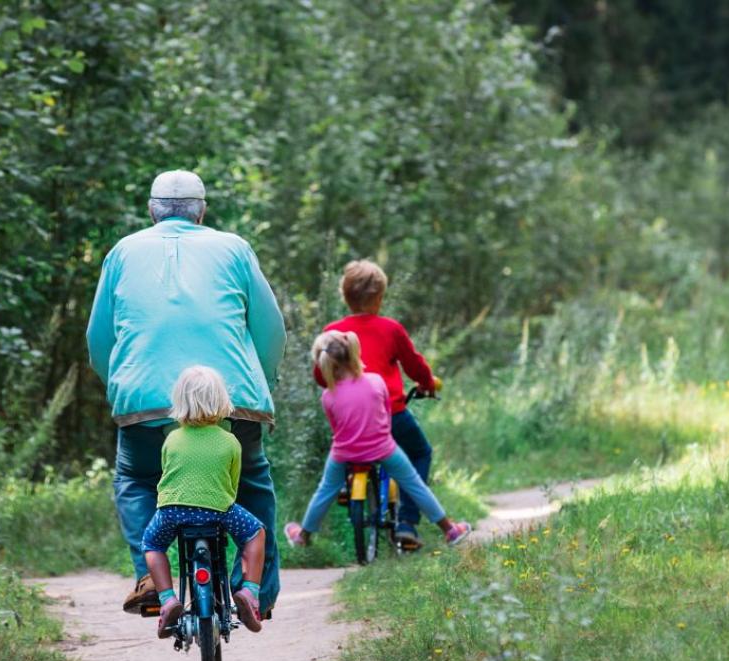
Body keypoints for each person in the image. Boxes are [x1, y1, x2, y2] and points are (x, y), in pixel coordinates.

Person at [86, 169, 286, 616]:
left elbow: (99, 341)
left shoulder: (122, 252)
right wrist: (261, 382)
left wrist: (121, 386)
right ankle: (257, 592)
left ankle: (150, 580)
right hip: (232, 400)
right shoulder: (234, 248)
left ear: (151, 210)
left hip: (144, 403)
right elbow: (271, 332)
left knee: (137, 480)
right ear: (203, 212)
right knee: (252, 484)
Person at [286, 330, 470, 546]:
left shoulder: (328, 396)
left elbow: (337, 430)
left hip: (344, 453)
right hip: (383, 448)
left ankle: (303, 536)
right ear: (353, 352)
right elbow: (385, 416)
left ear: (325, 364)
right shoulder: (376, 381)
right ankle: (450, 530)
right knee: (414, 483)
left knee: (326, 489)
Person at [312, 259, 440, 549]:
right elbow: (414, 365)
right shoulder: (391, 329)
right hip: (391, 413)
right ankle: (407, 522)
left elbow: (321, 374)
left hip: (349, 415)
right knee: (420, 452)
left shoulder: (333, 330)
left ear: (345, 297)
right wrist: (428, 384)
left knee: (342, 440)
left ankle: (347, 481)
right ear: (380, 298)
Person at [143, 367, 265, 637]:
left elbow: (168, 473)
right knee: (256, 533)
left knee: (152, 545)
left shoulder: (171, 439)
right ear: (221, 400)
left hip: (172, 511)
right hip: (219, 510)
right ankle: (250, 593)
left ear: (180, 402)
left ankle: (167, 599)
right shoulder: (230, 441)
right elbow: (231, 485)